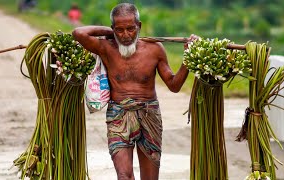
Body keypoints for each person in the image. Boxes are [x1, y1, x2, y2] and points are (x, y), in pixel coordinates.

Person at [72, 3, 197, 180]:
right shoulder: (106, 48)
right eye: (120, 30)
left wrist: (188, 57)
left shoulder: (155, 49)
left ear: (139, 26)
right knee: (124, 176)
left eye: (130, 29)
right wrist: (109, 33)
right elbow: (79, 33)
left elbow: (174, 85)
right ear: (113, 29)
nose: (125, 35)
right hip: (118, 115)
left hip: (149, 114)